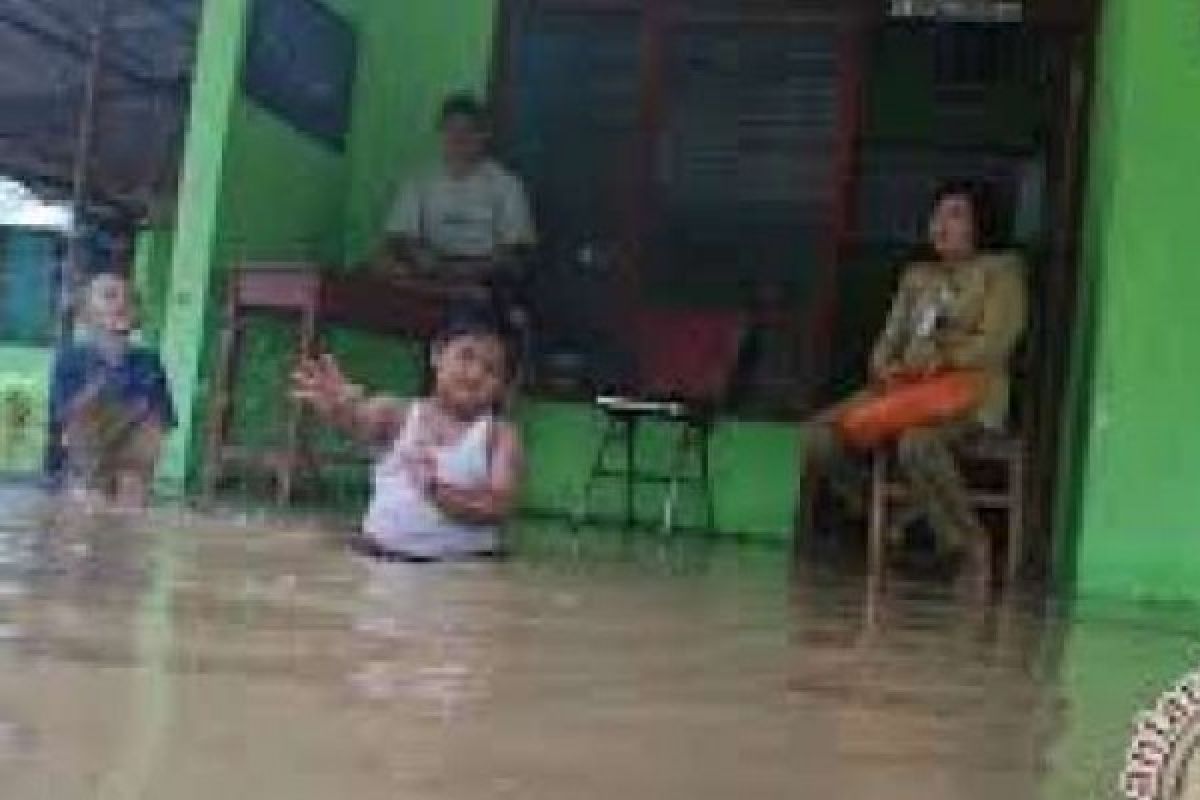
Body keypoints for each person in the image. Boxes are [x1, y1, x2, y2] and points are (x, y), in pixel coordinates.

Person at [802, 180, 1028, 590]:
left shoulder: (1002, 272)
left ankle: (968, 547)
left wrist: (944, 359)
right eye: (937, 215)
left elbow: (996, 343)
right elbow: (888, 341)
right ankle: (892, 515)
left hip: (967, 394)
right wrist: (885, 367)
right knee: (819, 436)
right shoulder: (917, 277)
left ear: (981, 224)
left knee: (917, 443)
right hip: (904, 390)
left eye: (955, 215)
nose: (941, 225)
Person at [292, 304, 524, 561]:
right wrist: (340, 408)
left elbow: (498, 506)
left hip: (463, 568)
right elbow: (358, 424)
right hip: (381, 558)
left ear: (503, 386)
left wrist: (436, 490)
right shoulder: (396, 414)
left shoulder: (499, 436)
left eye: (491, 369)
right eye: (465, 356)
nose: (475, 374)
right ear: (436, 355)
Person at [383, 91, 536, 304]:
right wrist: (419, 257)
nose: (458, 138)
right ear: (441, 133)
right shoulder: (420, 180)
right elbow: (398, 236)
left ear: (484, 135)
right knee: (381, 263)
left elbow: (516, 251)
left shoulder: (506, 185)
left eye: (468, 131)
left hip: (484, 276)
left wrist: (470, 270)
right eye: (451, 130)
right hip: (430, 271)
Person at [47, 272, 175, 508]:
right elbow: (65, 418)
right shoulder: (71, 360)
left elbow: (162, 422)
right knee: (87, 497)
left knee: (132, 490)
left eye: (129, 298)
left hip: (133, 460)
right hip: (86, 457)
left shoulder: (149, 362)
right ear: (86, 315)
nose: (122, 302)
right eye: (110, 296)